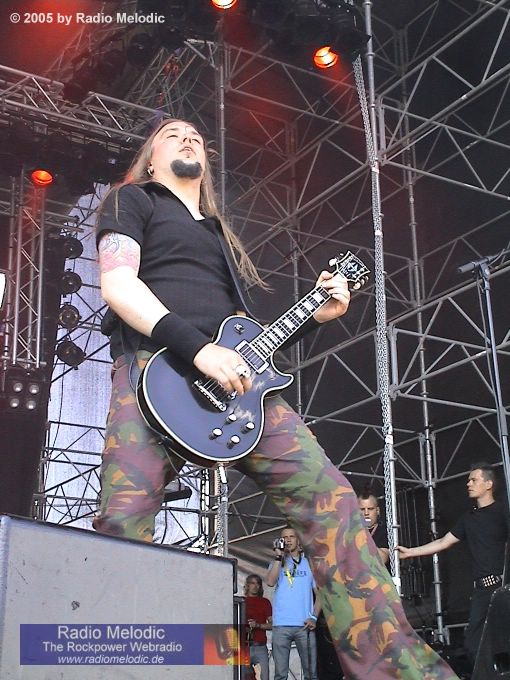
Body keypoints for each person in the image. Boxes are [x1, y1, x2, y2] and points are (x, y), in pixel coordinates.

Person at [93, 117, 459, 679]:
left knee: (332, 501)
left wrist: (315, 316)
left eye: (196, 136)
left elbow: (249, 340)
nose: (188, 138)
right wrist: (199, 351)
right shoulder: (132, 200)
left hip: (240, 389)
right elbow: (119, 286)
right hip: (153, 371)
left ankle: (400, 672)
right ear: (149, 158)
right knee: (124, 524)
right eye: (172, 133)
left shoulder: (218, 233)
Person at [398, 462, 509, 666]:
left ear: (489, 484)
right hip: (482, 591)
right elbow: (443, 542)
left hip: (503, 587)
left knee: (504, 643)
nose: (468, 484)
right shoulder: (468, 519)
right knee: (473, 645)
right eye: (468, 480)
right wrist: (411, 552)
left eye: (474, 480)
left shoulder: (503, 510)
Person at [266, 526, 320, 680]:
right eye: (284, 538)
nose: (288, 540)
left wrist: (314, 617)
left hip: (304, 624)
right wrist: (278, 557)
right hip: (281, 625)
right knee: (280, 674)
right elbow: (270, 582)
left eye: (291, 537)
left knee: (311, 674)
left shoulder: (309, 563)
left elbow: (321, 594)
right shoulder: (277, 563)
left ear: (298, 540)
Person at [243, 574, 272, 680]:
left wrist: (258, 625)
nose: (255, 586)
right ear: (247, 585)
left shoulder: (265, 602)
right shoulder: (241, 602)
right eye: (252, 583)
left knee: (265, 676)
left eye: (258, 583)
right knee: (244, 676)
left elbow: (273, 625)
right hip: (245, 647)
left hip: (261, 646)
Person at [358, 490, 390, 565]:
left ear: (377, 511)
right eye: (362, 509)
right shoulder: (351, 531)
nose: (366, 513)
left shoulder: (385, 531)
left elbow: (382, 559)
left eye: (370, 509)